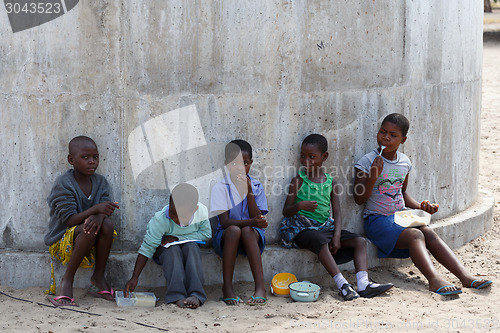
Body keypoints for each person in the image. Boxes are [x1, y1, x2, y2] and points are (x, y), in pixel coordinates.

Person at [353, 113, 493, 296]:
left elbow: (401, 193)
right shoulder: (367, 161)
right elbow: (358, 199)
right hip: (377, 221)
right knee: (415, 235)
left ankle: (465, 277)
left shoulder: (404, 162)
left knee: (427, 231)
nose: (386, 137)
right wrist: (373, 175)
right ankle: (434, 280)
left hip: (399, 217)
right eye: (382, 132)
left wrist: (420, 206)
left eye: (393, 135)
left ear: (403, 140)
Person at [280, 134, 393, 301]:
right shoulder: (298, 181)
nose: (306, 161)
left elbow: (337, 212)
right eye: (303, 156)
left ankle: (363, 284)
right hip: (301, 229)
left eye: (312, 157)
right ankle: (343, 285)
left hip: (325, 227)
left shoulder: (330, 182)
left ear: (324, 157)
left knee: (359, 241)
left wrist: (338, 236)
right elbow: (286, 211)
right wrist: (299, 206)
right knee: (320, 241)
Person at [44, 136, 119, 307]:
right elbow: (70, 220)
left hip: (89, 235)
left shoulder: (101, 182)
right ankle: (67, 280)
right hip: (63, 241)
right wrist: (96, 210)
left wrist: (100, 214)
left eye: (95, 157)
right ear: (71, 160)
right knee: (90, 225)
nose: (92, 162)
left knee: (105, 224)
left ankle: (98, 277)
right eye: (85, 157)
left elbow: (105, 210)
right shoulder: (64, 184)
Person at [124, 183, 211, 309]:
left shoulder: (201, 212)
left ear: (194, 210)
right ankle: (177, 296)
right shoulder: (160, 219)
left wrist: (179, 238)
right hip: (165, 251)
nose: (173, 217)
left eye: (179, 216)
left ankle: (196, 295)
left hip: (188, 247)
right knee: (173, 250)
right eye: (172, 212)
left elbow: (206, 234)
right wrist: (135, 277)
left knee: (191, 247)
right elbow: (147, 248)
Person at [210, 140, 269, 305]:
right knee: (235, 230)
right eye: (234, 163)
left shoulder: (256, 186)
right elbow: (225, 222)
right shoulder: (220, 188)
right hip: (227, 238)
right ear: (226, 164)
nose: (240, 168)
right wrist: (252, 221)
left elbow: (258, 220)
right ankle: (227, 288)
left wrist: (249, 192)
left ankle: (260, 288)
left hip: (251, 238)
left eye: (245, 163)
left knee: (248, 231)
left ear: (251, 164)